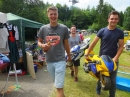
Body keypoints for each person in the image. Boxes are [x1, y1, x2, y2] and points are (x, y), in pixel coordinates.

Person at [85, 10, 124, 97]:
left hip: (113, 60)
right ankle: (98, 87)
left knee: (113, 81)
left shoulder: (120, 32)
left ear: (118, 20)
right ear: (108, 19)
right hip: (102, 59)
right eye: (112, 19)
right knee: (101, 76)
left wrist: (116, 57)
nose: (113, 20)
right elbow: (93, 43)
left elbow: (121, 46)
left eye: (115, 19)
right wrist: (87, 53)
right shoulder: (102, 31)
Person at [37, 6, 71, 97]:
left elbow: (66, 44)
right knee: (58, 86)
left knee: (59, 87)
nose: (53, 16)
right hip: (49, 61)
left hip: (60, 60)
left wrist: (69, 56)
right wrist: (42, 45)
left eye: (55, 14)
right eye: (51, 14)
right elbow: (39, 42)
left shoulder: (64, 28)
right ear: (47, 15)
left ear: (58, 15)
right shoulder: (43, 28)